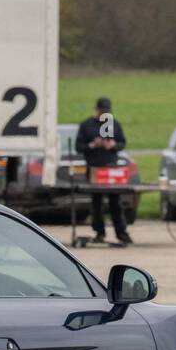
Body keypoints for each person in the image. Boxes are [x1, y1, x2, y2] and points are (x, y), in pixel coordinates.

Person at [75, 97, 131, 245]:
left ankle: (121, 232)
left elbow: (122, 143)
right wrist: (93, 145)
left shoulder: (114, 124)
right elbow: (79, 146)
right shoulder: (86, 125)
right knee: (97, 203)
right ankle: (99, 232)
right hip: (93, 169)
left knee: (115, 202)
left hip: (111, 168)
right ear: (97, 110)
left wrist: (113, 145)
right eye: (102, 111)